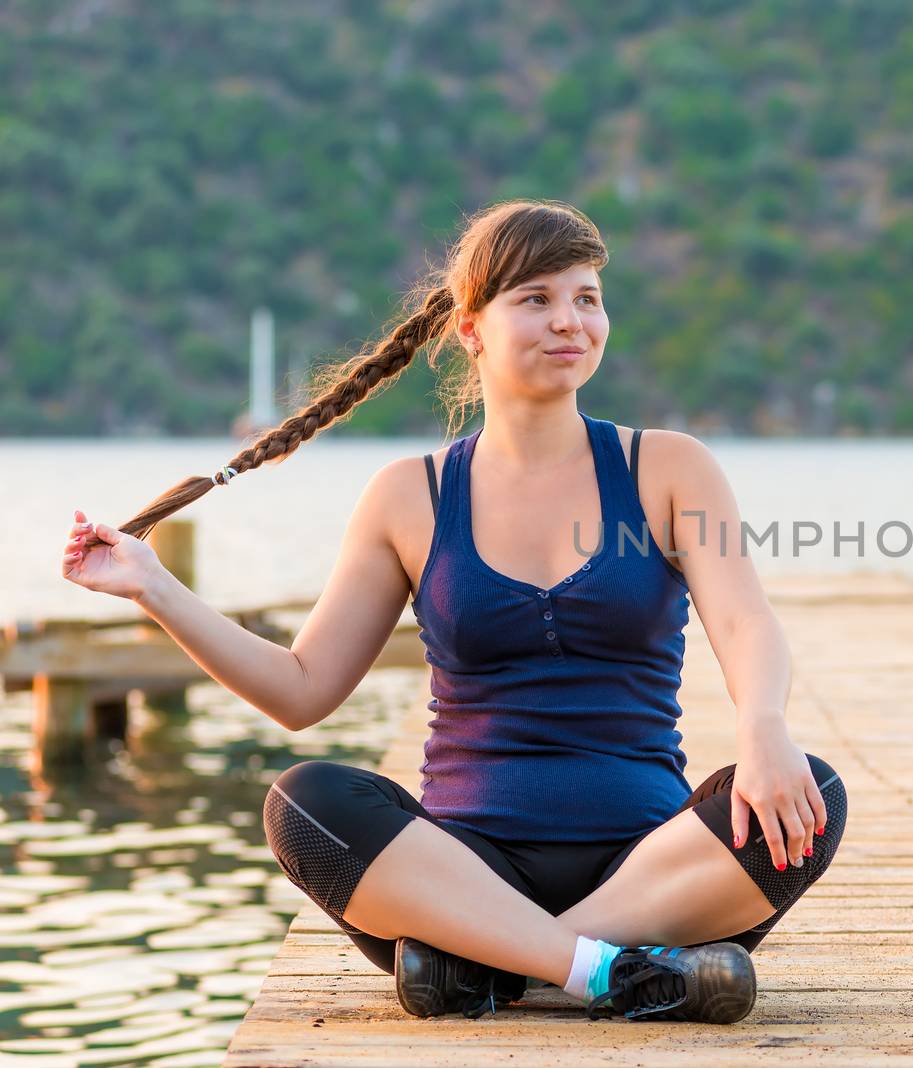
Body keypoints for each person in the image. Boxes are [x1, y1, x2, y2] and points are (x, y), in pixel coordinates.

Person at [60, 199, 848, 1024]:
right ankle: (618, 974)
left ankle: (494, 966)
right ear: (471, 328)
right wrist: (153, 587)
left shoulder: (669, 470)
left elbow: (744, 622)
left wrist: (763, 725)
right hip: (462, 871)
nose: (569, 321)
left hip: (651, 871)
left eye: (586, 297)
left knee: (809, 790)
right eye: (535, 300)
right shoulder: (409, 496)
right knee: (302, 802)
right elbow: (300, 689)